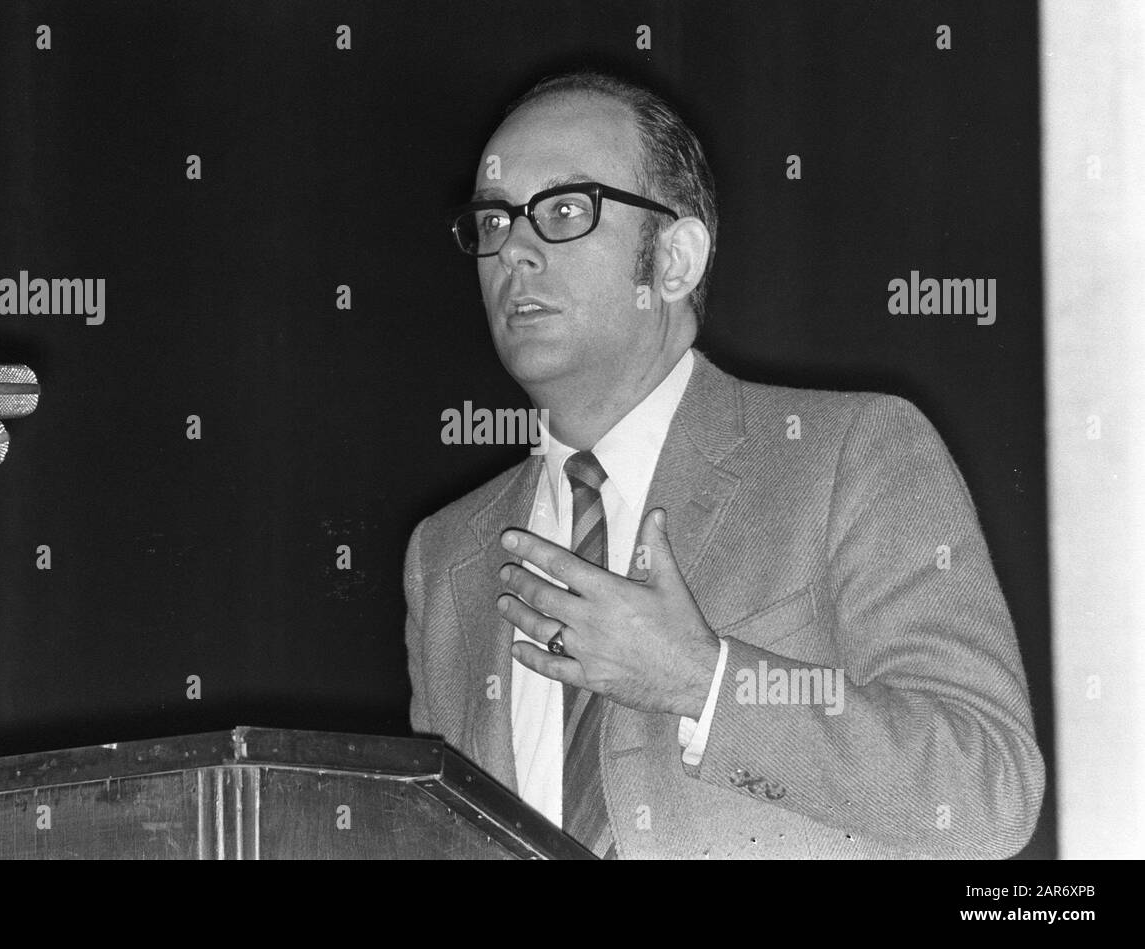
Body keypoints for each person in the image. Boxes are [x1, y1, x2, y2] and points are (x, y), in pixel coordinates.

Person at [403, 71, 1044, 858]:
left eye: (565, 210)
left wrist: (701, 681)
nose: (516, 252)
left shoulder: (850, 455)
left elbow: (989, 791)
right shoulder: (447, 556)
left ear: (674, 260)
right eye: (494, 220)